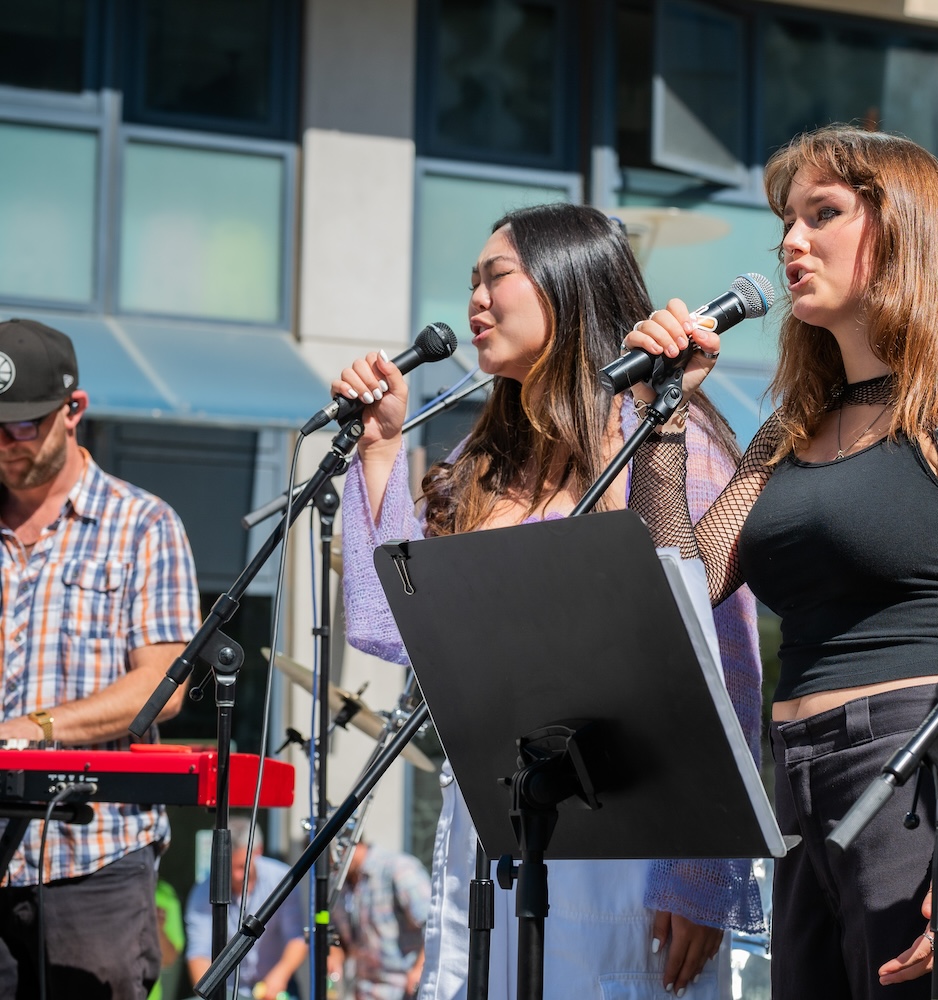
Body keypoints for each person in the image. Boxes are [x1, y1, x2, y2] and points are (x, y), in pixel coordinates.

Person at [621, 124, 938, 998]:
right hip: (797, 779)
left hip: (919, 770)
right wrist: (662, 418)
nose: (791, 240)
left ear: (902, 227)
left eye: (823, 214)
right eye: (786, 220)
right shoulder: (790, 427)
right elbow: (680, 591)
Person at [335, 202, 763, 1000]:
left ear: (568, 284)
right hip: (500, 826)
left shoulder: (667, 429)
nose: (475, 299)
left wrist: (701, 869)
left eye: (497, 276)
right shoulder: (486, 455)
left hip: (630, 840)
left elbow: (722, 654)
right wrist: (381, 448)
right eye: (471, 280)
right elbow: (393, 623)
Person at [0, 317, 198, 999]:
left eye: (22, 425)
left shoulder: (143, 524)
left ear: (73, 409)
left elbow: (164, 685)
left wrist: (33, 730)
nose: (6, 444)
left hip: (95, 857)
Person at [184, 817, 309, 999]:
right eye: (229, 867)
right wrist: (209, 993)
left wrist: (279, 975)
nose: (236, 875)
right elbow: (198, 953)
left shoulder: (282, 880)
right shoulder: (203, 892)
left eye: (242, 866)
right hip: (226, 990)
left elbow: (296, 938)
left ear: (258, 851)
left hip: (276, 987)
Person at [330, 839, 429, 1000]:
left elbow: (433, 926)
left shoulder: (399, 868)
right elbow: (338, 935)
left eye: (330, 860)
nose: (330, 867)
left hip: (403, 990)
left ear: (344, 846)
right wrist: (334, 954)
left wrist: (420, 970)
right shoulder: (339, 883)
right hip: (363, 990)